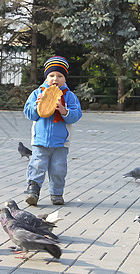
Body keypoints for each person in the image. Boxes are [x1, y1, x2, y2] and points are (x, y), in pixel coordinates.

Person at [23, 56, 82, 206]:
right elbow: (29, 113)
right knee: (37, 165)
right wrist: (37, 106)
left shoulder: (69, 96)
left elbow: (76, 115)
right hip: (40, 140)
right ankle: (33, 191)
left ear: (65, 78)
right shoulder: (38, 94)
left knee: (58, 169)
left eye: (60, 76)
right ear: (46, 77)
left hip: (61, 142)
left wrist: (64, 111)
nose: (55, 79)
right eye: (51, 75)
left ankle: (56, 193)